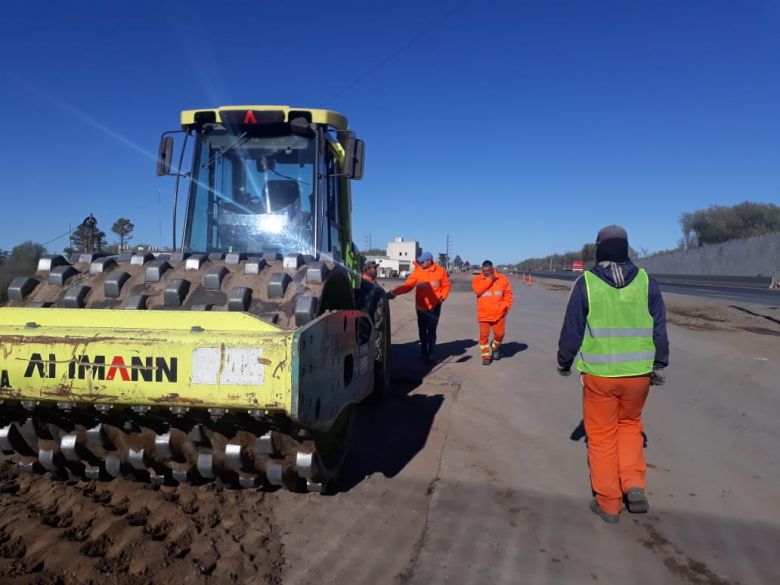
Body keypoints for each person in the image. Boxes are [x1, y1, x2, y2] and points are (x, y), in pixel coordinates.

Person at [556, 225, 669, 524]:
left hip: (600, 376)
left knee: (603, 437)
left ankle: (608, 503)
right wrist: (660, 363)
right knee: (630, 426)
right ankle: (633, 485)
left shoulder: (587, 284)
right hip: (638, 375)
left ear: (599, 249)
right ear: (626, 247)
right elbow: (659, 327)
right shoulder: (647, 281)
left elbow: (572, 329)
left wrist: (563, 362)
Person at [387, 251, 451, 364]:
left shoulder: (440, 271)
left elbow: (446, 285)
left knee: (431, 331)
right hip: (421, 307)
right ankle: (423, 352)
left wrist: (442, 297)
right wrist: (394, 293)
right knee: (422, 331)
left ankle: (430, 353)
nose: (420, 263)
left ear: (429, 261)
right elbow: (407, 286)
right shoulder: (417, 272)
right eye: (419, 261)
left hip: (435, 306)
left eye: (422, 261)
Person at [471, 260, 514, 365]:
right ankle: (485, 356)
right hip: (484, 314)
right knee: (483, 337)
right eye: (484, 270)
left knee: (500, 335)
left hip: (499, 313)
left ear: (492, 269)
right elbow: (478, 290)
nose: (486, 272)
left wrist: (506, 306)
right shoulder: (477, 280)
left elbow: (508, 294)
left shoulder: (502, 279)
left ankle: (495, 347)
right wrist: (490, 279)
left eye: (488, 270)